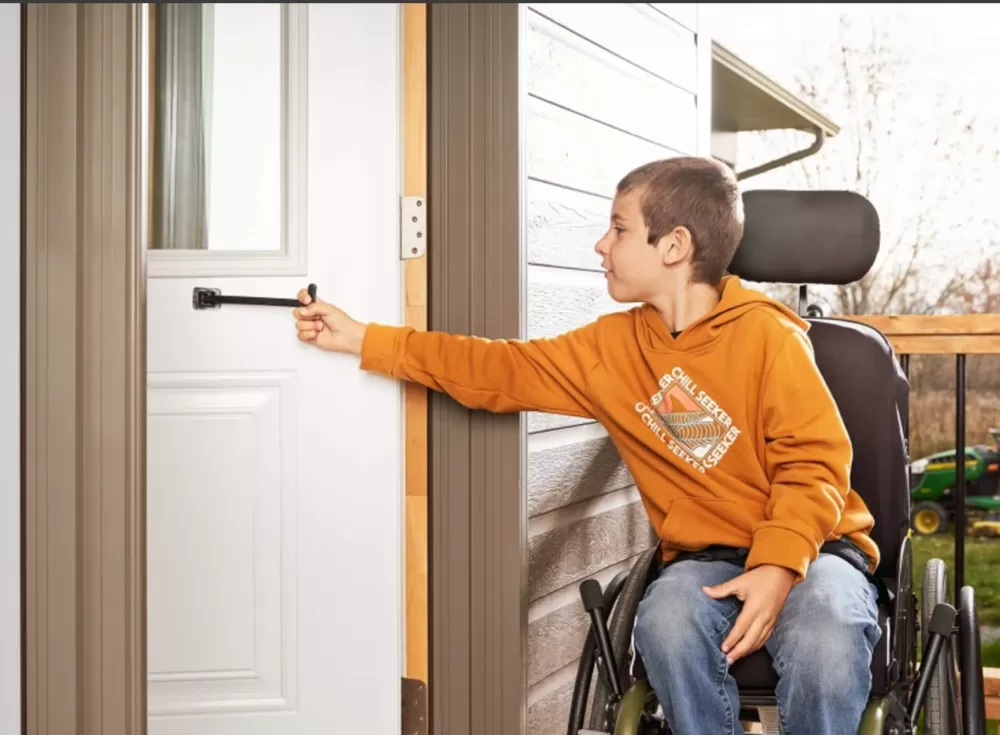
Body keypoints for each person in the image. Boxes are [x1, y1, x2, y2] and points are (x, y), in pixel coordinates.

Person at [292, 156, 882, 735]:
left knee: (827, 630)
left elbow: (813, 464)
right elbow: (496, 369)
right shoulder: (612, 349)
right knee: (667, 622)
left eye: (619, 229)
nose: (602, 245)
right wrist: (364, 338)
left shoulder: (770, 338)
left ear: (673, 246)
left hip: (815, 551)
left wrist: (778, 566)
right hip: (707, 558)